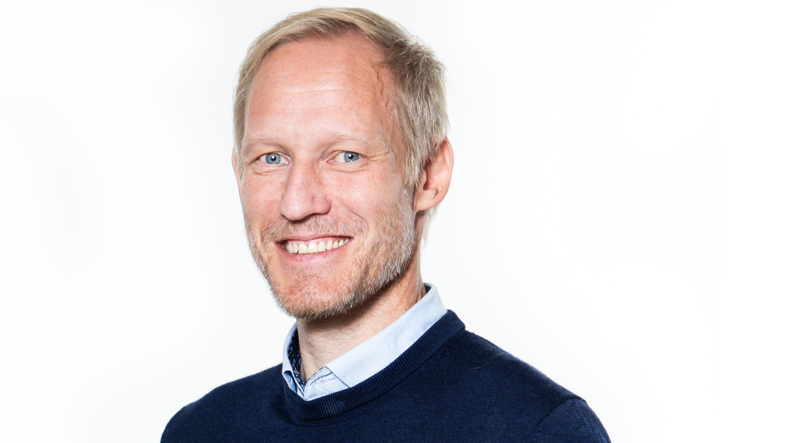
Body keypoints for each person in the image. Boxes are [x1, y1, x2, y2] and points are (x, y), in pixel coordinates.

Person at [161, 7, 609, 442]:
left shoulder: (537, 430)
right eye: (271, 158)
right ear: (238, 172)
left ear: (429, 175)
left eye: (346, 156)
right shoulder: (200, 431)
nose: (296, 203)